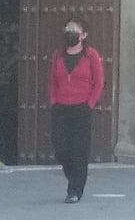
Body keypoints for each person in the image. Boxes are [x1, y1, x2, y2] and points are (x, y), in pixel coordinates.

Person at [49, 18, 104, 204]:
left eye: (74, 29)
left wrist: (90, 104)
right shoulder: (59, 55)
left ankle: (75, 190)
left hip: (82, 108)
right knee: (61, 149)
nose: (69, 31)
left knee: (79, 150)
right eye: (68, 28)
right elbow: (53, 81)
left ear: (83, 35)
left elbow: (98, 82)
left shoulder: (91, 55)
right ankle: (74, 177)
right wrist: (54, 101)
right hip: (61, 108)